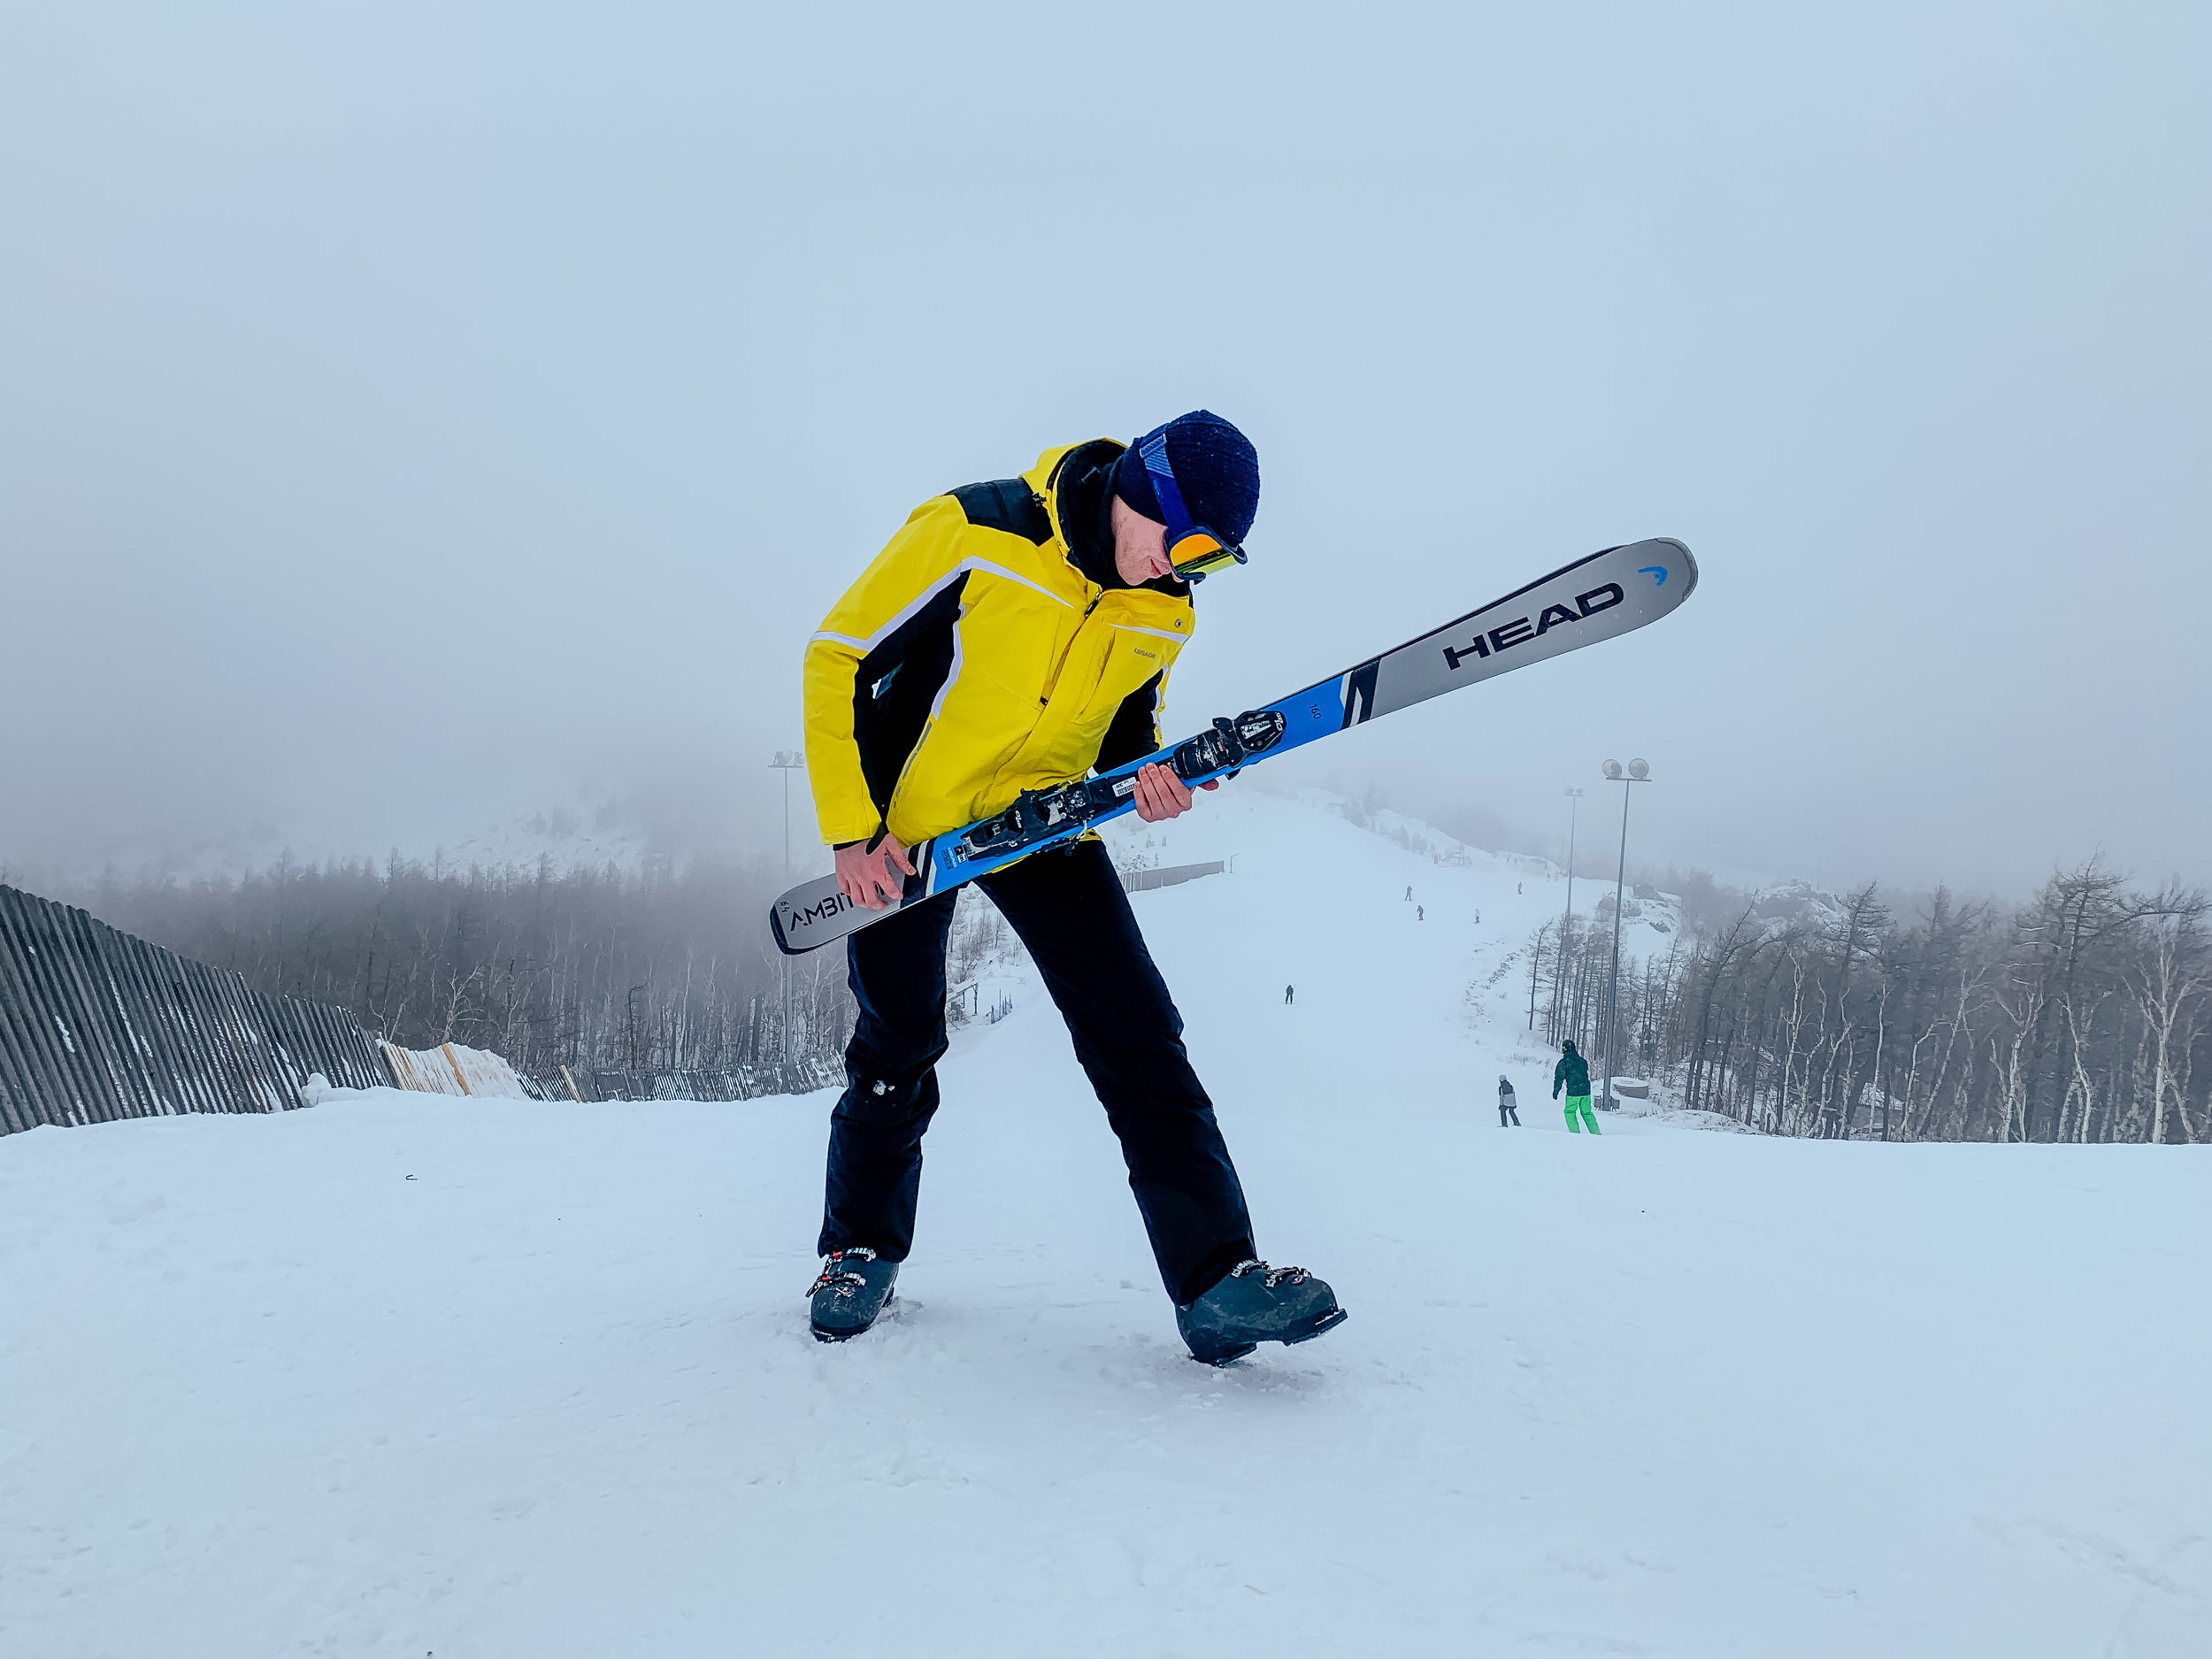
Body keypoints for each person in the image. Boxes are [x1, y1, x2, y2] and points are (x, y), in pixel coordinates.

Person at [799, 411, 1345, 1364]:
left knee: (1139, 1033)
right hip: (907, 838)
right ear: (1147, 491)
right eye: (1192, 546)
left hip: (1039, 827)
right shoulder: (977, 531)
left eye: (1213, 563)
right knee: (897, 1040)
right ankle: (859, 1252)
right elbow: (837, 657)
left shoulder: (1164, 608)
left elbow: (1126, 737)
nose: (1187, 572)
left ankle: (1216, 1281)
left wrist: (1154, 779)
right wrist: (853, 829)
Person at [1554, 1039, 1599, 1134]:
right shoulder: (1582, 1061)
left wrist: (1556, 1091)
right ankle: (1596, 1133)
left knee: (1569, 1112)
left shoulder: (1564, 1063)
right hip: (1586, 1091)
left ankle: (1575, 1134)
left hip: (1573, 1092)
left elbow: (1559, 1078)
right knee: (1587, 1113)